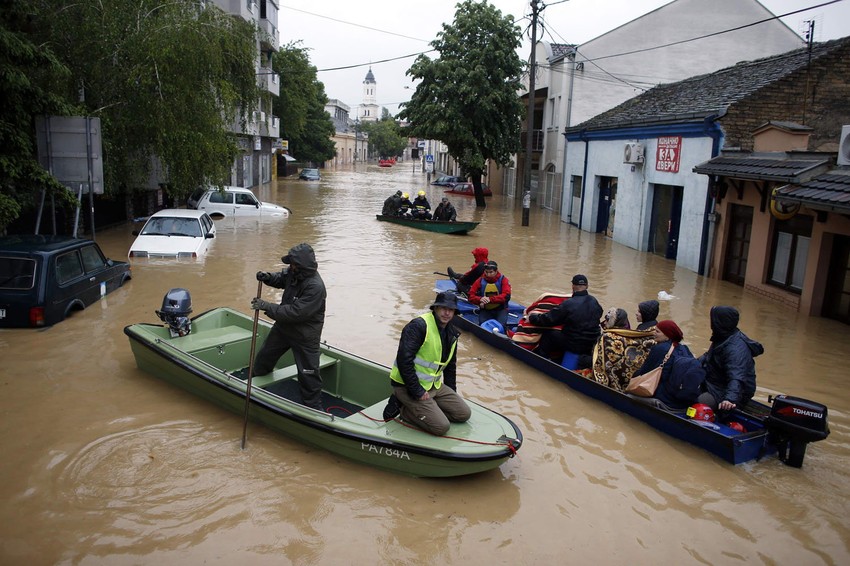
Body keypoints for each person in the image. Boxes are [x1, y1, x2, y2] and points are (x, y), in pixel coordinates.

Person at [382, 292, 472, 435]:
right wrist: (417, 391)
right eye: (443, 308)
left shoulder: (452, 333)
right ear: (435, 308)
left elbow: (450, 367)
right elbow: (404, 361)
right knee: (441, 427)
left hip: (433, 386)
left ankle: (430, 409)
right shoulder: (418, 326)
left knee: (463, 414)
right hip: (407, 387)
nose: (447, 313)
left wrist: (451, 395)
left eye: (451, 310)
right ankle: (403, 409)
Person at [251, 243, 327, 411]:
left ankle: (313, 408)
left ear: (301, 265)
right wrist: (268, 277)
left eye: (292, 264)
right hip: (284, 328)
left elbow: (295, 313)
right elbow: (281, 278)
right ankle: (256, 386)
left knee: (308, 373)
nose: (290, 267)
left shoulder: (315, 287)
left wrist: (266, 306)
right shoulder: (294, 272)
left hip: (305, 335)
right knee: (264, 357)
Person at [528, 274, 603, 368]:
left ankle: (541, 360)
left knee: (549, 334)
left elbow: (548, 320)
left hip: (574, 344)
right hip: (591, 344)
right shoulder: (594, 301)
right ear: (587, 286)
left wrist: (532, 317)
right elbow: (599, 313)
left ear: (573, 286)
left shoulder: (568, 304)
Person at [697, 306, 763, 411]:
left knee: (698, 402)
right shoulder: (723, 336)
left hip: (729, 393)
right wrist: (691, 364)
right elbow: (708, 356)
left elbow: (737, 376)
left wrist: (729, 399)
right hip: (716, 383)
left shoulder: (735, 349)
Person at [628, 320, 705, 410]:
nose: (654, 333)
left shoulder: (660, 349)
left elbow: (644, 372)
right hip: (682, 399)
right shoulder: (684, 348)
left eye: (657, 331)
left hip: (664, 397)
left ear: (667, 335)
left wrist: (630, 378)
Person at [468, 261, 511, 328]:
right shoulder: (479, 280)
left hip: (501, 309)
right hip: (486, 309)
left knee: (501, 326)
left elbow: (506, 296)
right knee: (483, 326)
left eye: (491, 272)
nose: (488, 275)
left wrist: (490, 299)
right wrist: (480, 299)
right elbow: (470, 296)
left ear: (496, 271)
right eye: (486, 272)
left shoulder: (504, 280)